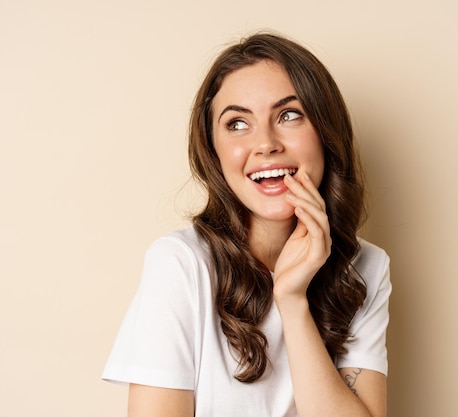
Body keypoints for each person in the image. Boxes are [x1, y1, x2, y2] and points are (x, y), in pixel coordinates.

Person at [102, 32, 391, 417]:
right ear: (214, 150)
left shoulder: (366, 267)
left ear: (326, 132)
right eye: (237, 124)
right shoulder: (180, 264)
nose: (265, 143)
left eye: (289, 115)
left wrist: (292, 301)